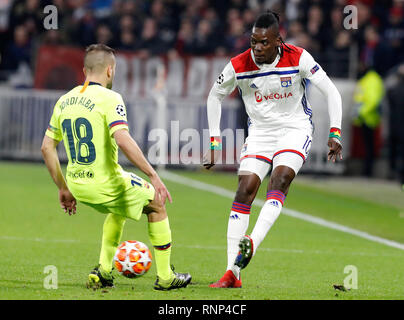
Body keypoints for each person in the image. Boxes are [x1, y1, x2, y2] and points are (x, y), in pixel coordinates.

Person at [203, 11, 342, 288]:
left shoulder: (299, 57)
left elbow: (331, 91)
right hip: (260, 134)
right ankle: (233, 273)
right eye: (253, 41)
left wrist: (335, 131)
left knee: (280, 178)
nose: (257, 48)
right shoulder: (238, 64)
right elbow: (214, 96)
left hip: (295, 129)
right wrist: (214, 141)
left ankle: (252, 242)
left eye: (263, 43)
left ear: (278, 40)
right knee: (245, 188)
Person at [41, 44, 191, 291]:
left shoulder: (64, 100)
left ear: (84, 69)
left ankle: (103, 271)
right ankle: (165, 277)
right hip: (105, 183)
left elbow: (47, 147)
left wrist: (63, 188)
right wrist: (153, 175)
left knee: (120, 208)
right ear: (110, 70)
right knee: (156, 203)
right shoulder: (111, 99)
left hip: (77, 184)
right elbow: (123, 139)